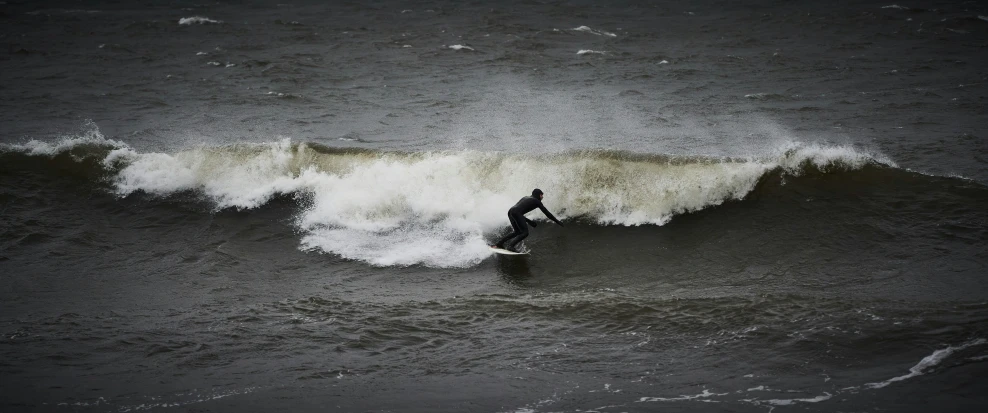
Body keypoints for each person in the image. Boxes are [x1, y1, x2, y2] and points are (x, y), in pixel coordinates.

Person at [492, 188, 563, 252]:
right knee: (525, 233)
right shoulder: (537, 201)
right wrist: (557, 221)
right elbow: (547, 214)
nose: (542, 197)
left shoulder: (526, 197)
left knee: (517, 232)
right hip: (516, 213)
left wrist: (530, 221)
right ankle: (511, 246)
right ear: (538, 195)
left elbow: (518, 212)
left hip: (510, 211)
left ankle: (498, 244)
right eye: (541, 195)